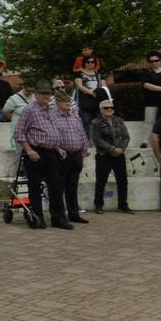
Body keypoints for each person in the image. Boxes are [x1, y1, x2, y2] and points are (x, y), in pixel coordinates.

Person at [13, 79, 65, 230]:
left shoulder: (52, 109)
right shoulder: (29, 110)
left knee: (56, 185)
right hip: (35, 152)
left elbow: (52, 130)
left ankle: (58, 218)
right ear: (35, 94)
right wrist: (29, 150)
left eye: (48, 94)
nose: (46, 96)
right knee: (35, 187)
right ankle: (37, 217)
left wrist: (57, 147)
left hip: (51, 152)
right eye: (42, 94)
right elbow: (19, 132)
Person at [89, 99, 133, 214]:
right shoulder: (95, 122)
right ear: (100, 110)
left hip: (119, 155)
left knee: (122, 180)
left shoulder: (119, 120)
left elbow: (126, 136)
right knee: (101, 181)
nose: (109, 109)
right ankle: (98, 205)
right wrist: (112, 149)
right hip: (104, 155)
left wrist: (121, 149)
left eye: (111, 107)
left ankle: (123, 205)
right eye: (106, 108)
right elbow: (97, 140)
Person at [53, 89, 90, 226]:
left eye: (69, 100)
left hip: (76, 155)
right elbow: (51, 136)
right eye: (65, 101)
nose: (68, 103)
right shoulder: (53, 118)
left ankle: (74, 214)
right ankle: (60, 216)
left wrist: (84, 152)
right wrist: (57, 147)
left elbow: (82, 135)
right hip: (62, 156)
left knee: (73, 186)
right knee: (59, 186)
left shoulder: (75, 117)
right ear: (57, 103)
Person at [73, 56, 102, 136]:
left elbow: (102, 85)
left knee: (98, 121)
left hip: (96, 101)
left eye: (92, 62)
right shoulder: (79, 74)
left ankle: (97, 140)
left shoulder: (98, 74)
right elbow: (79, 86)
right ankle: (86, 140)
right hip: (84, 100)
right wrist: (92, 93)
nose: (90, 64)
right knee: (85, 120)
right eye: (88, 62)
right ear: (84, 63)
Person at [3, 78, 35, 149]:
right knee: (19, 153)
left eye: (32, 91)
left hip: (32, 131)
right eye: (28, 91)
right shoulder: (14, 99)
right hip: (18, 130)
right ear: (23, 87)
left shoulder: (35, 98)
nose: (30, 93)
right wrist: (17, 120)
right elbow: (5, 112)